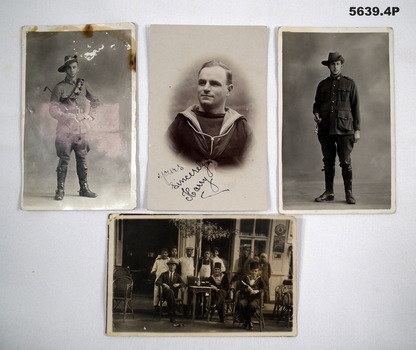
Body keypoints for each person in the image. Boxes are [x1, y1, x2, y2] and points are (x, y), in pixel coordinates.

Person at [168, 60, 252, 167]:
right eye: (202, 83)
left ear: (229, 90)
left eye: (214, 84)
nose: (206, 88)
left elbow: (254, 166)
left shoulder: (240, 126)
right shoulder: (182, 123)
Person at [49, 54, 101, 200]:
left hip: (81, 130)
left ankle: (84, 189)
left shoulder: (83, 84)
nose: (71, 70)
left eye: (74, 67)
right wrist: (66, 116)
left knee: (82, 160)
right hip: (65, 130)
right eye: (68, 68)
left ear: (78, 68)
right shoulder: (59, 88)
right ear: (65, 70)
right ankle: (60, 190)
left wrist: (89, 115)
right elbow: (52, 109)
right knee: (64, 160)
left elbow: (95, 101)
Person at [313, 52, 360, 204]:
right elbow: (316, 104)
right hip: (325, 128)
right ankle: (329, 192)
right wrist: (316, 113)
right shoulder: (322, 84)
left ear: (341, 65)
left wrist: (357, 129)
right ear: (329, 66)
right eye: (332, 64)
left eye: (337, 64)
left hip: (345, 129)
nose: (335, 66)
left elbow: (355, 107)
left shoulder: (350, 84)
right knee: (328, 161)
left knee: (345, 162)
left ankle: (349, 193)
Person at [238, 261, 266, 330]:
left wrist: (258, 291)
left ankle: (246, 322)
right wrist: (245, 290)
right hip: (247, 298)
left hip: (256, 299)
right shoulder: (246, 278)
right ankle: (249, 321)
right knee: (241, 304)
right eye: (253, 271)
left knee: (251, 306)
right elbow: (240, 288)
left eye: (256, 271)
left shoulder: (260, 279)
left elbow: (265, 288)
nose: (254, 273)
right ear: (250, 271)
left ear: (258, 272)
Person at [155, 258, 186, 323]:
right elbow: (157, 282)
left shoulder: (177, 276)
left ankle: (171, 313)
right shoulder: (164, 274)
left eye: (173, 265)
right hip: (164, 293)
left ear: (175, 267)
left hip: (174, 294)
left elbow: (184, 284)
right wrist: (163, 284)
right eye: (170, 265)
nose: (172, 267)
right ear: (168, 266)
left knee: (171, 293)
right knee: (170, 292)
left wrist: (178, 284)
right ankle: (172, 314)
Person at [178, 246, 195, 316]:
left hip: (191, 279)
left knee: (190, 294)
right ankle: (182, 310)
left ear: (192, 252)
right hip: (183, 278)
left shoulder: (194, 259)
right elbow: (174, 261)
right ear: (185, 251)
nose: (189, 252)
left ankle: (189, 311)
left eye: (190, 251)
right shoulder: (182, 259)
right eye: (188, 251)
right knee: (183, 294)